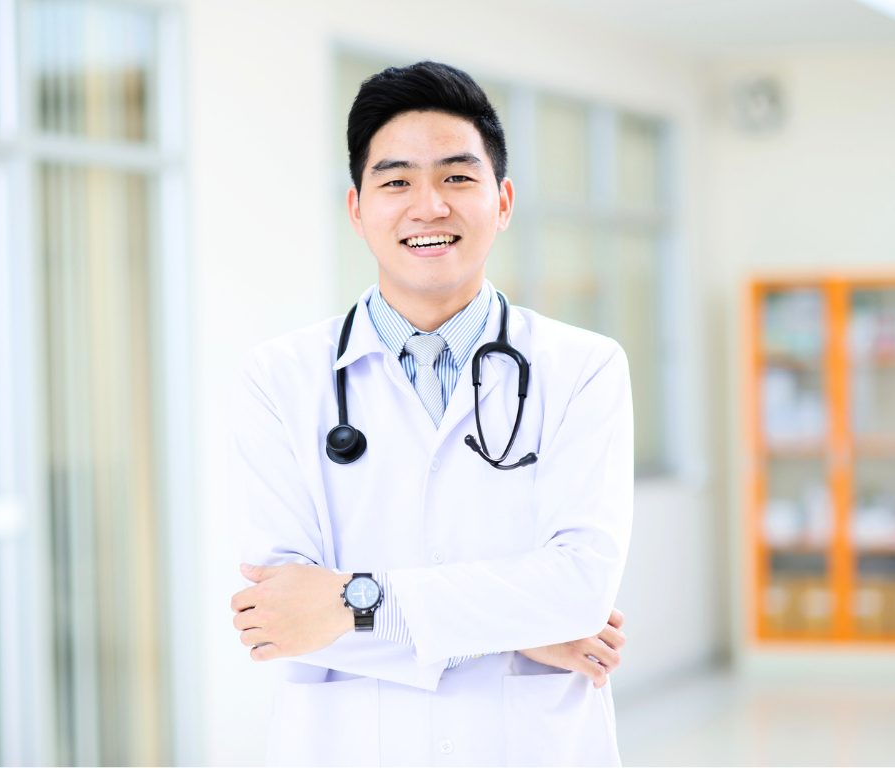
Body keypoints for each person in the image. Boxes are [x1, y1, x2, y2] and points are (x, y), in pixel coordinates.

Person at [229, 61, 633, 767]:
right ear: (356, 209)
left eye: (456, 176)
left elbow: (576, 591)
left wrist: (349, 602)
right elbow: (281, 617)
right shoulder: (279, 378)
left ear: (501, 201)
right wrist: (514, 627)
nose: (428, 206)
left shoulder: (583, 367)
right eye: (395, 181)